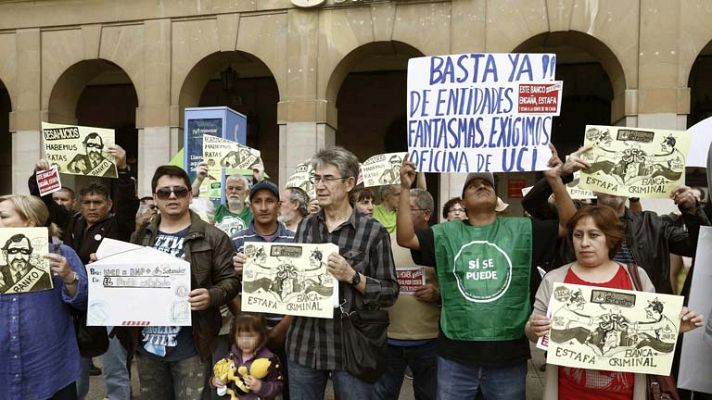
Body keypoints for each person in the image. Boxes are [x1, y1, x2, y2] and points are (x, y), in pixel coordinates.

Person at [396, 145, 586, 400]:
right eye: (472, 184)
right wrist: (405, 188)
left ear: (497, 199)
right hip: (455, 356)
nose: (481, 185)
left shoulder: (524, 229)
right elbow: (406, 238)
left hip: (508, 356)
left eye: (487, 184)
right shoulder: (445, 234)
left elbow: (569, 225)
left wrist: (554, 179)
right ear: (462, 202)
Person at [525, 205, 704, 399]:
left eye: (594, 235)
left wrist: (676, 326)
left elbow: (651, 332)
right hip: (568, 393)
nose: (584, 243)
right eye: (578, 235)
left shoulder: (636, 277)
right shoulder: (554, 279)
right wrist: (534, 329)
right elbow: (533, 332)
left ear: (610, 238)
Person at [286, 146, 398, 399]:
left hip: (351, 347)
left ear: (349, 183)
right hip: (305, 343)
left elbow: (391, 292)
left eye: (328, 178)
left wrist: (353, 277)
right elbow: (291, 276)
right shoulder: (305, 226)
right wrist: (256, 266)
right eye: (316, 179)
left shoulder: (373, 231)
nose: (320, 186)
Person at [130, 165, 240, 400]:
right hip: (147, 346)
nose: (172, 196)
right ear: (155, 198)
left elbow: (231, 280)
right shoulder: (142, 236)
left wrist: (212, 295)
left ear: (190, 196)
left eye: (179, 191)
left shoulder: (214, 236)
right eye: (164, 192)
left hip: (192, 345)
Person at [522, 159, 709, 294]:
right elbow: (532, 203)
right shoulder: (575, 216)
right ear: (594, 186)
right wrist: (561, 175)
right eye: (608, 178)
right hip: (582, 309)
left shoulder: (653, 224)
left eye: (622, 179)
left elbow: (700, 249)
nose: (614, 185)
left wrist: (692, 211)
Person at [54, 147, 138, 400]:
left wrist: (123, 171)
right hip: (77, 305)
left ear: (108, 205)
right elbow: (47, 206)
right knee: (75, 370)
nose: (92, 207)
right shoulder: (73, 223)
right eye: (87, 202)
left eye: (98, 202)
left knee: (114, 370)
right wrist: (42, 177)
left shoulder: (117, 225)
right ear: (79, 204)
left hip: (109, 307)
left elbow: (127, 204)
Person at [0, 194, 88, 400]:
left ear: (29, 222)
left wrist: (69, 277)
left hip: (49, 367)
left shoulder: (61, 254)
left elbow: (85, 303)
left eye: (3, 216)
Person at [231, 180, 296, 399]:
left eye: (270, 201)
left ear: (279, 206)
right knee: (247, 389)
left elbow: (303, 289)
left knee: (286, 386)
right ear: (250, 206)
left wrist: (284, 325)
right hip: (248, 334)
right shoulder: (237, 241)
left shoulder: (295, 241)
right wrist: (247, 321)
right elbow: (228, 286)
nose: (264, 207)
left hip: (287, 330)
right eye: (258, 201)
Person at [375, 188, 440, 400]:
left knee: (428, 394)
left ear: (427, 214)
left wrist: (437, 294)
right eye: (400, 209)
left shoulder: (440, 242)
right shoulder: (385, 242)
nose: (401, 214)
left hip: (429, 341)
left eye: (409, 209)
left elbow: (458, 286)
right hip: (390, 339)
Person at [210, 313, 284, 400]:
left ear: (261, 335)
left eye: (250, 336)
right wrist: (215, 381)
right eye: (240, 336)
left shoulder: (269, 359)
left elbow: (278, 387)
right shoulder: (232, 355)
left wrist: (261, 386)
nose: (245, 341)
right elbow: (220, 372)